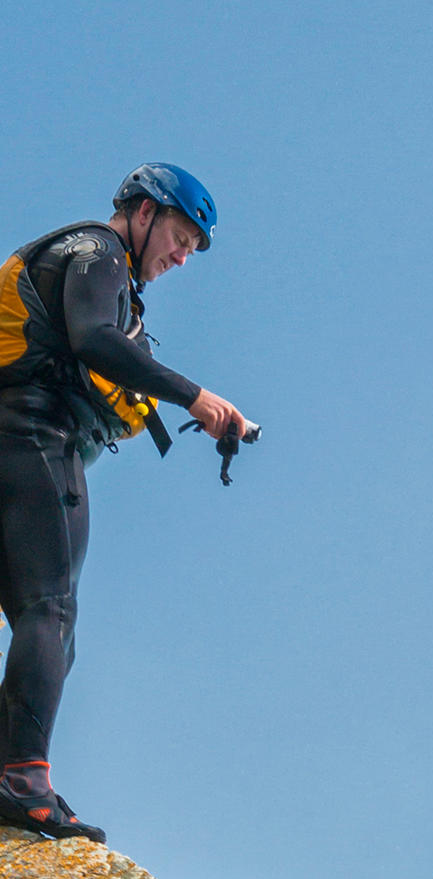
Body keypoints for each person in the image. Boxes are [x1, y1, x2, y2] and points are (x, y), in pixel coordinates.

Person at [0, 165, 252, 842]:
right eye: (179, 235)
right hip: (27, 434)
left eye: (193, 249)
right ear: (142, 212)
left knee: (39, 617)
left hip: (16, 433)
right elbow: (94, 340)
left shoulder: (97, 265)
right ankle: (20, 779)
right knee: (49, 610)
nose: (181, 255)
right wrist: (196, 396)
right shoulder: (98, 253)